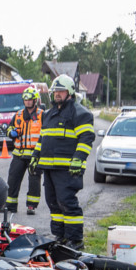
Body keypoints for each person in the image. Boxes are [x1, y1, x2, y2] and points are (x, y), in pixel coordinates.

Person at [29, 75, 94, 250]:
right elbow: (43, 139)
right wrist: (35, 156)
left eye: (61, 91)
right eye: (55, 91)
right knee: (53, 203)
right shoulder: (48, 114)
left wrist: (78, 160)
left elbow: (86, 138)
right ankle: (61, 237)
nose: (57, 94)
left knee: (67, 202)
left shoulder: (80, 113)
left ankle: (76, 240)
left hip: (67, 169)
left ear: (70, 92)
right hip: (48, 168)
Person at [5, 87, 44, 215]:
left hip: (35, 155)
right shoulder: (18, 115)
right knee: (13, 179)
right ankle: (10, 206)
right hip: (19, 154)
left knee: (34, 182)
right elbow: (9, 128)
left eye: (30, 99)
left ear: (35, 100)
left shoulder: (42, 115)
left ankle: (31, 206)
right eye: (25, 99)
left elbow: (47, 133)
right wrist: (12, 133)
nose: (27, 102)